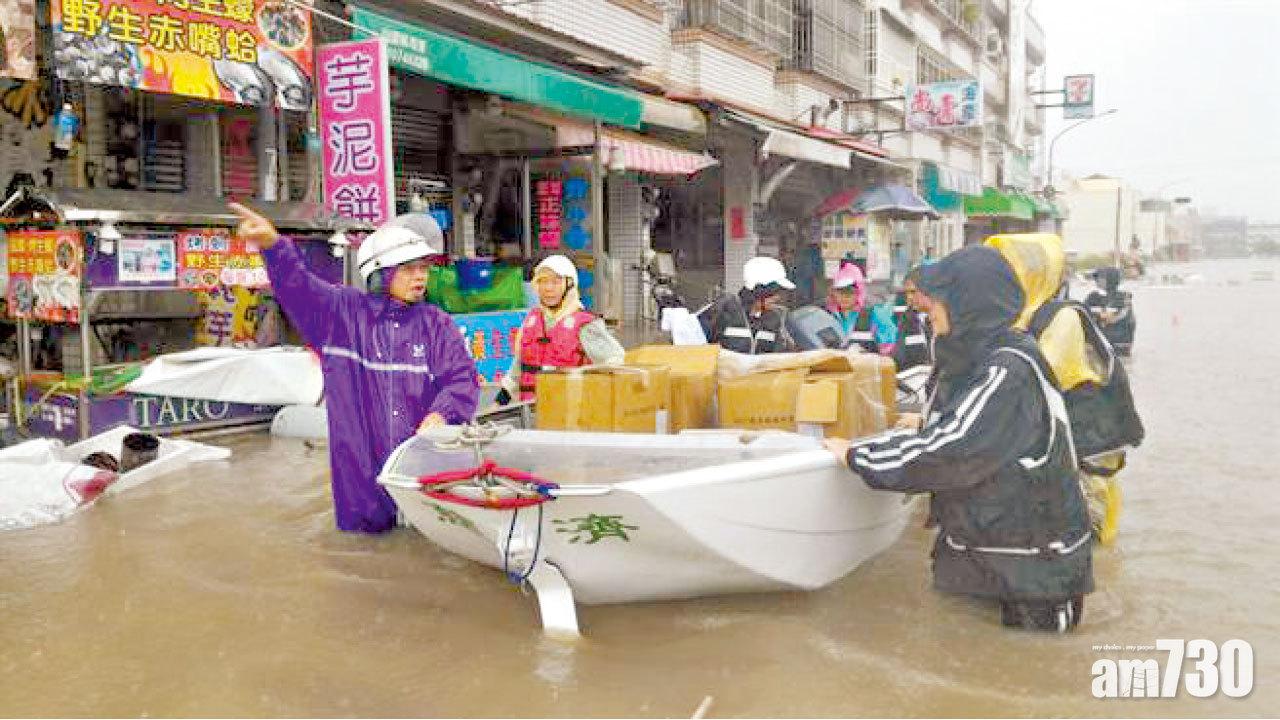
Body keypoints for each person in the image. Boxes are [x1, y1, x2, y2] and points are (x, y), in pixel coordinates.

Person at [823, 246, 1093, 632]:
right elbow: (962, 427)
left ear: (970, 304)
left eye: (937, 301)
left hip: (1032, 572)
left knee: (1025, 669)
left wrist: (857, 455)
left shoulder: (1009, 368)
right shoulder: (975, 359)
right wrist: (919, 424)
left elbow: (953, 449)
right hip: (983, 553)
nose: (927, 309)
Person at [229, 203, 480, 534]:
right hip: (359, 482)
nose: (420, 276)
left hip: (422, 474)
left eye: (423, 267)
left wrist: (441, 414)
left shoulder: (436, 325)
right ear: (379, 273)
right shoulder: (340, 316)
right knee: (363, 555)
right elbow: (298, 286)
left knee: (425, 546)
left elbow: (462, 381)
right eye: (407, 268)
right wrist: (274, 246)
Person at [496, 254, 625, 404]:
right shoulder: (532, 320)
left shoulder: (586, 325)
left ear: (569, 285)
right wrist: (501, 399)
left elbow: (615, 361)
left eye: (555, 282)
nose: (548, 288)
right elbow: (519, 366)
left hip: (571, 411)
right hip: (532, 410)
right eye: (542, 281)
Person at [699, 256, 796, 354]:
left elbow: (779, 354)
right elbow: (696, 346)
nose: (778, 298)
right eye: (774, 293)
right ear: (759, 292)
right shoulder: (723, 310)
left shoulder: (774, 320)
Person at [826, 261, 896, 354]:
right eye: (840, 291)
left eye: (850, 291)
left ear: (859, 292)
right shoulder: (827, 316)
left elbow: (891, 348)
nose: (844, 296)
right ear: (833, 293)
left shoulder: (875, 315)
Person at [1084, 266, 1136, 355]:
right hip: (1099, 343)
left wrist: (1104, 316)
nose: (1097, 280)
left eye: (1101, 278)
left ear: (1110, 279)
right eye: (1097, 278)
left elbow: (1123, 316)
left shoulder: (1123, 298)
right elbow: (1084, 312)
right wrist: (1098, 316)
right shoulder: (1093, 297)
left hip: (1119, 343)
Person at [891, 267, 933, 371]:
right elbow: (899, 358)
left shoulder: (945, 317)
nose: (909, 297)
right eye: (907, 293)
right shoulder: (905, 320)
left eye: (913, 292)